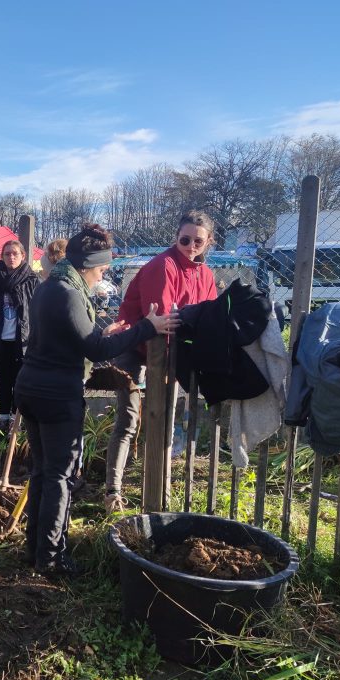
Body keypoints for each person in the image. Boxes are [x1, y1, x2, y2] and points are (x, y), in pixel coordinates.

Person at [15, 225, 177, 576]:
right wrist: (147, 326)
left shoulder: (49, 287)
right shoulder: (68, 293)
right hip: (56, 395)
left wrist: (102, 331)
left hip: (31, 389)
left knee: (42, 473)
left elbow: (70, 337)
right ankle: (53, 559)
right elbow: (96, 350)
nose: (103, 275)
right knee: (60, 476)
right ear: (87, 265)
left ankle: (34, 550)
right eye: (102, 269)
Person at [104, 210, 218, 513]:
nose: (191, 245)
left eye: (198, 241)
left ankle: (158, 481)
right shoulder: (162, 266)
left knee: (166, 418)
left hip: (173, 351)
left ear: (208, 243)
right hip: (136, 347)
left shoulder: (205, 274)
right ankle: (112, 491)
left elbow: (206, 319)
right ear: (175, 237)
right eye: (185, 239)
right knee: (129, 420)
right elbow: (161, 323)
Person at [0, 240, 41, 427]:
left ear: (23, 256)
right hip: (0, 341)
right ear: (2, 257)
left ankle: (17, 419)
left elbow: (39, 312)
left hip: (23, 342)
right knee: (3, 381)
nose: (11, 257)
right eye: (7, 254)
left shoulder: (32, 281)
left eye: (15, 253)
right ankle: (3, 417)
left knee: (21, 382)